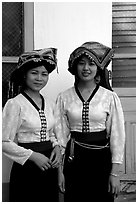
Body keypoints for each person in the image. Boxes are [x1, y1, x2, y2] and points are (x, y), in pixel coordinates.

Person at [55, 41, 126, 202]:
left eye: (91, 64)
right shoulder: (64, 97)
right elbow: (59, 136)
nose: (86, 68)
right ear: (75, 67)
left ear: (98, 67)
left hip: (101, 159)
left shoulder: (109, 97)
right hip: (74, 160)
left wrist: (115, 173)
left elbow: (117, 136)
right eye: (81, 63)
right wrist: (60, 171)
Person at [2, 48, 62, 202]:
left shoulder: (50, 103)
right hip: (27, 168)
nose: (39, 78)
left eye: (44, 74)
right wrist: (33, 156)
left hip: (49, 166)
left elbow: (51, 133)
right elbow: (4, 142)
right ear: (24, 75)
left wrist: (56, 147)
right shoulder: (15, 104)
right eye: (34, 73)